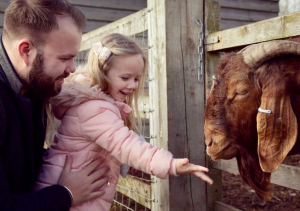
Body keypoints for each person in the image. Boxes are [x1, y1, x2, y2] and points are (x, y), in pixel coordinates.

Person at [34, 33, 214, 211]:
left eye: (136, 79)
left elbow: (116, 137)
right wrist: (170, 164)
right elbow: (126, 145)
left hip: (68, 191)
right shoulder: (95, 109)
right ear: (103, 73)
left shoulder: (94, 105)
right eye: (125, 78)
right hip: (70, 198)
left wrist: (127, 161)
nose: (133, 85)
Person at [0, 0, 109, 211]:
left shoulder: (34, 85)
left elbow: (19, 163)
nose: (72, 69)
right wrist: (66, 194)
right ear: (25, 51)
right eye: (65, 58)